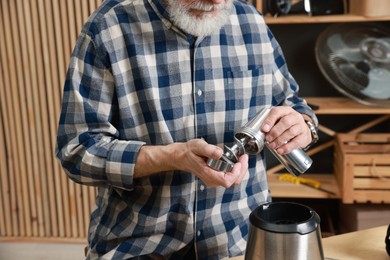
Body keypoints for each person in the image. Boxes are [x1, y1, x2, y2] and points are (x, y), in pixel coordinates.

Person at [55, 0, 318, 258]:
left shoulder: (251, 21)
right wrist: (172, 157)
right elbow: (77, 150)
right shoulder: (109, 26)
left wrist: (302, 125)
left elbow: (292, 104)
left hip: (240, 243)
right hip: (140, 245)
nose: (217, 1)